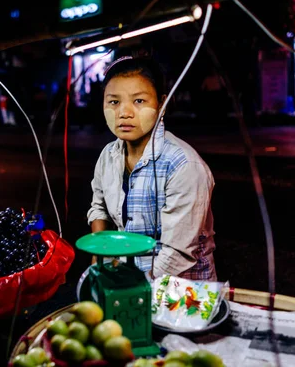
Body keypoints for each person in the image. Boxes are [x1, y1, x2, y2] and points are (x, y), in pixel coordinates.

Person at [86, 56, 217, 281]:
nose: (124, 113)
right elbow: (99, 208)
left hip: (181, 292)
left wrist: (133, 287)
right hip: (127, 277)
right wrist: (101, 259)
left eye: (138, 101)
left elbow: (178, 253)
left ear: (162, 104)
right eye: (114, 102)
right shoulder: (108, 155)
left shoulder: (183, 165)